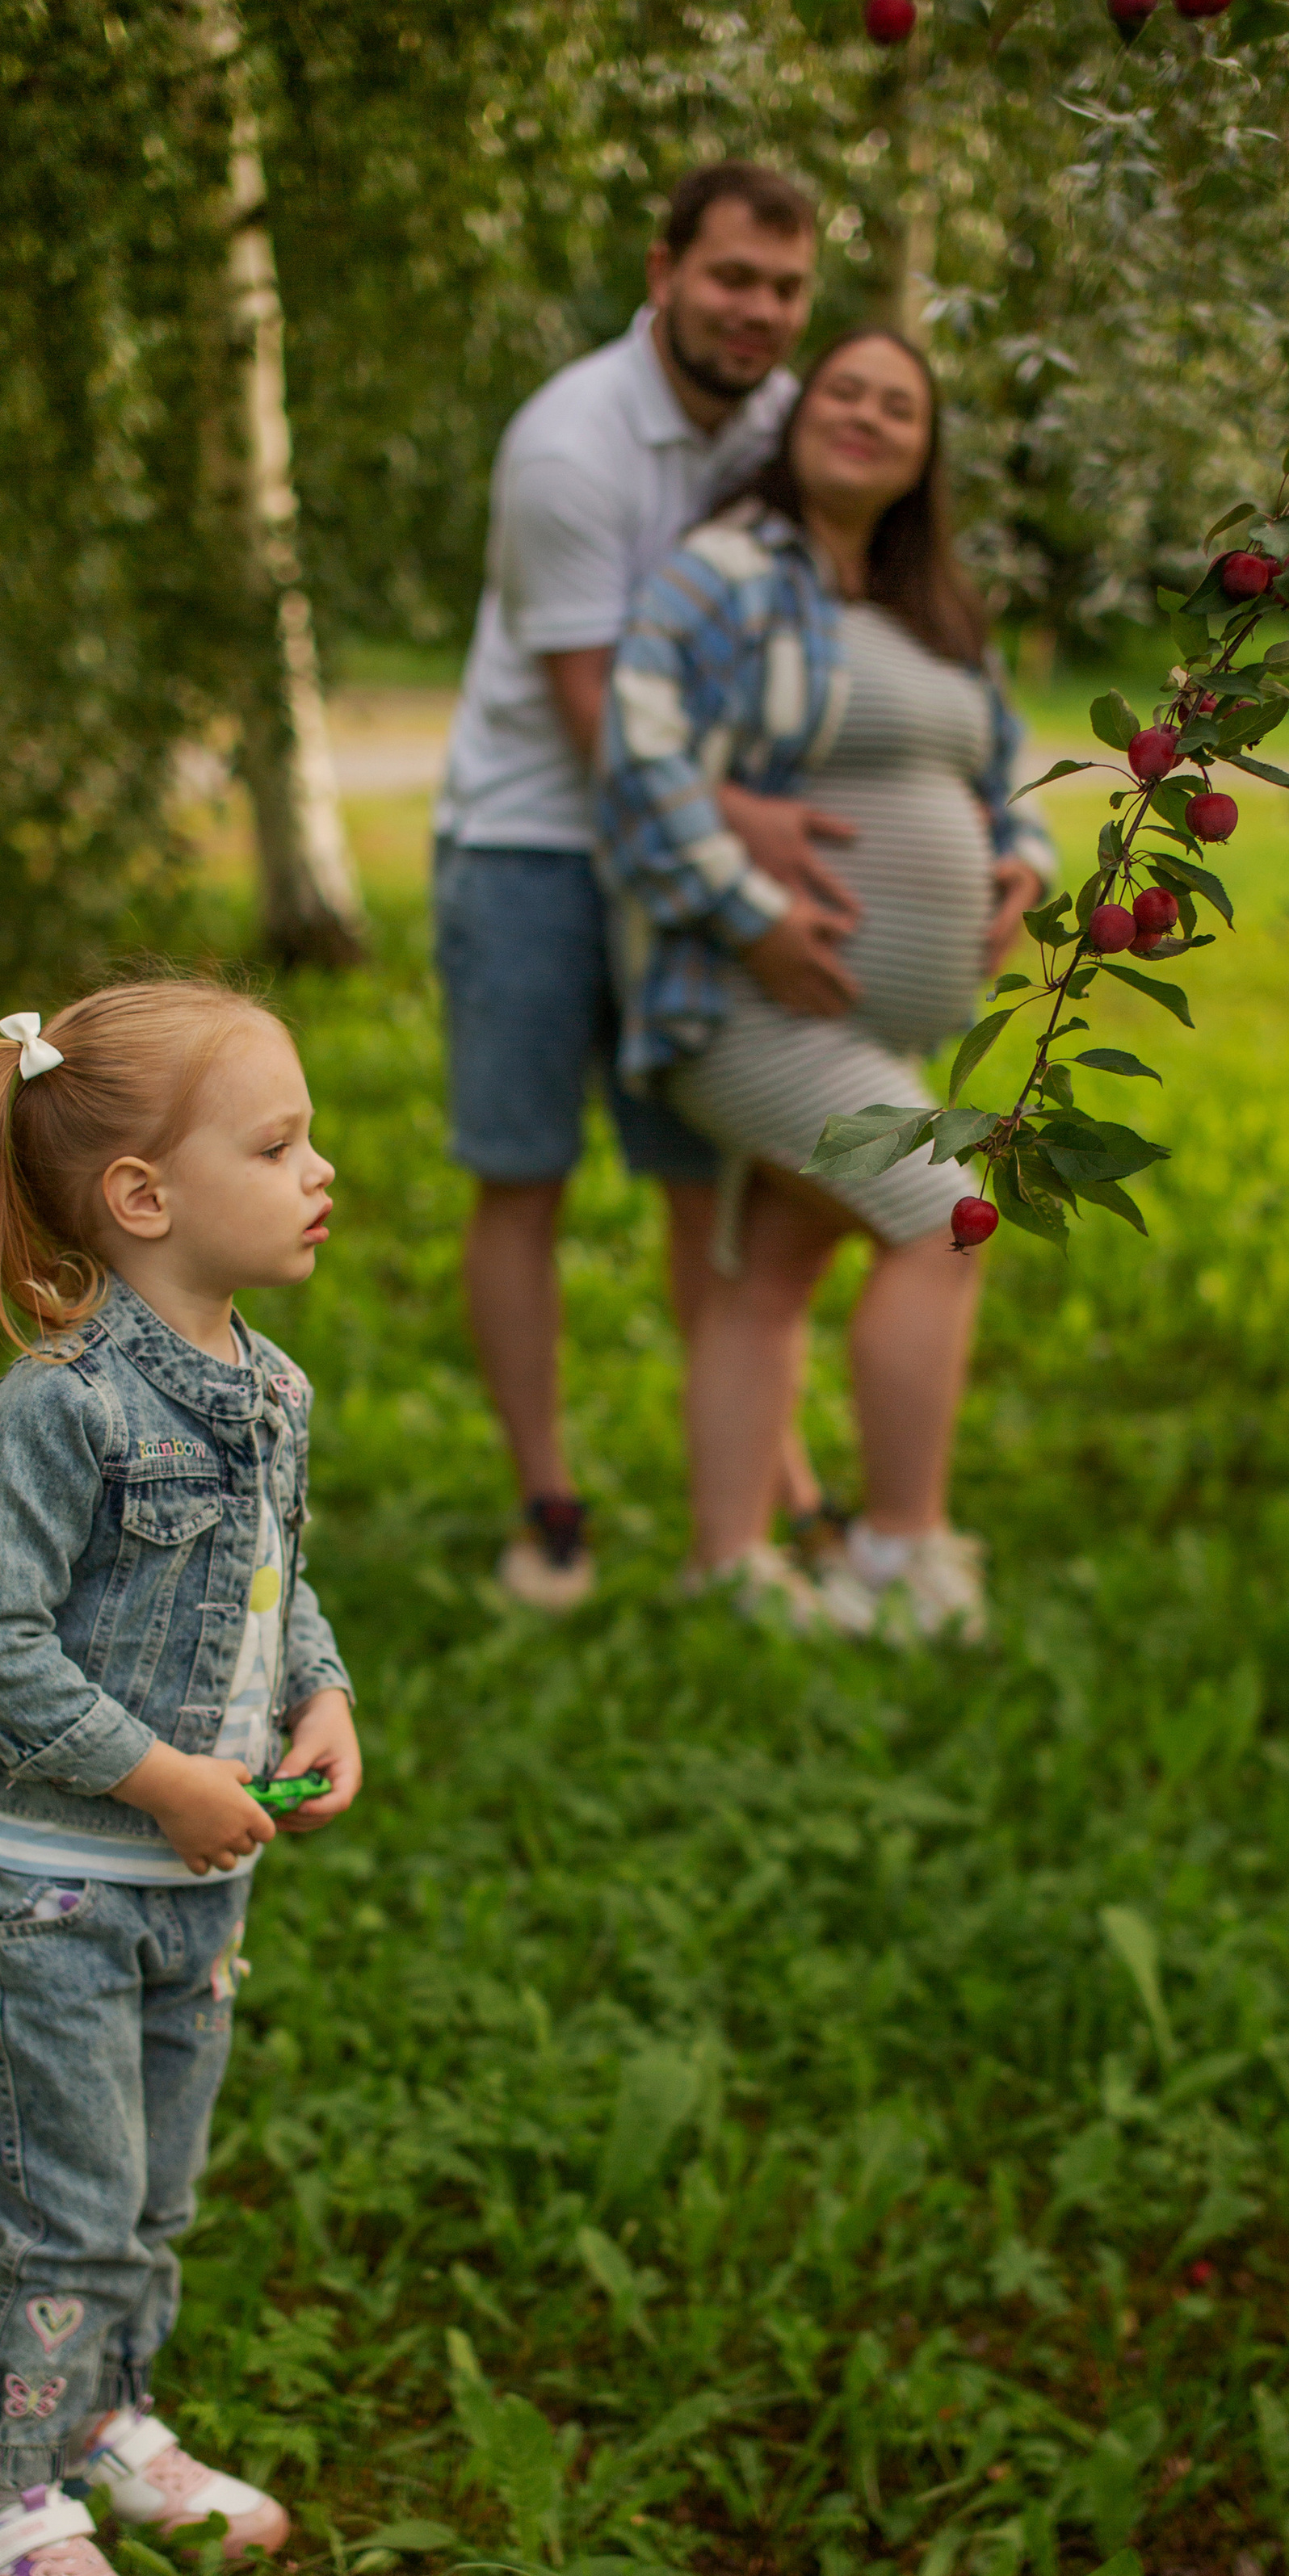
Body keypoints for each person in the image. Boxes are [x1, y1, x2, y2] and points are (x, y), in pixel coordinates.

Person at [0, 979, 360, 2576]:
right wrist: (162, 1776)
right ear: (142, 1196)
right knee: (70, 2210)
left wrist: (318, 1695)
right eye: (279, 1143)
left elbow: (271, 1582)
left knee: (152, 2195)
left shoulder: (270, 1388)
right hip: (48, 1888)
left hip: (191, 1884)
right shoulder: (57, 1411)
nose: (321, 1169)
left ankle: (103, 2416)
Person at [435, 161, 859, 1609]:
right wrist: (755, 843)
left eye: (787, 289)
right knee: (524, 1175)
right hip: (536, 843)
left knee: (707, 1179)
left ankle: (772, 1488)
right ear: (664, 269)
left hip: (696, 840)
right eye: (733, 276)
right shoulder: (569, 443)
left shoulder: (797, 429)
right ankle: (548, 1504)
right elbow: (598, 719)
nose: (760, 311)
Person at [599, 328, 1056, 1639]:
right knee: (947, 1213)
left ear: (925, 450)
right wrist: (752, 919)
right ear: (799, 423)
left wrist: (1021, 862)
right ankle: (900, 1555)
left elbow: (1009, 774)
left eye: (898, 405)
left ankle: (730, 1565)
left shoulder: (937, 612)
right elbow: (638, 766)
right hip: (742, 1001)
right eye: (843, 391)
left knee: (774, 1270)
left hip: (860, 1021)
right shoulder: (722, 575)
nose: (866, 415)